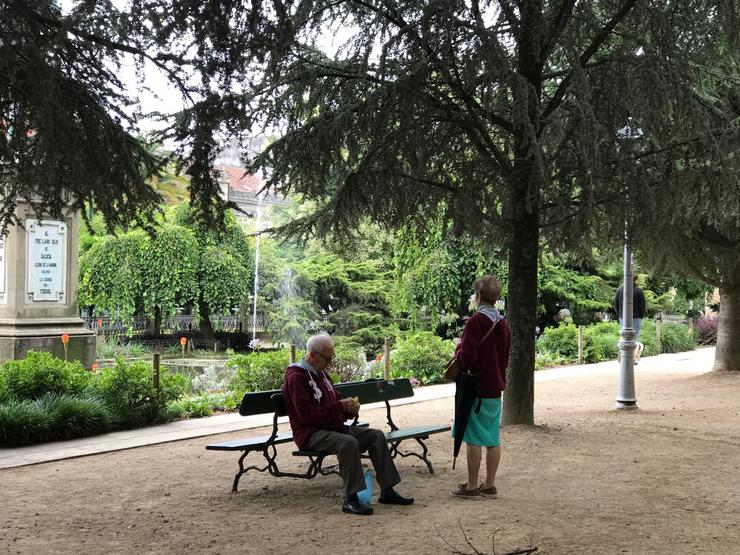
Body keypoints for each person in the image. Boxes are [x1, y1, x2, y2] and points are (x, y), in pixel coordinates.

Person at [282, 332, 414, 516]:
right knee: (348, 443)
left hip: (332, 428)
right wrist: (339, 407)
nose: (330, 363)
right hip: (311, 433)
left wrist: (348, 410)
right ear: (312, 355)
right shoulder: (296, 378)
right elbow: (307, 416)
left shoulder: (321, 374)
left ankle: (387, 490)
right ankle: (350, 499)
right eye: (327, 359)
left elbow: (334, 404)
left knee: (375, 435)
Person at [450, 275, 511, 500]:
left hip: (476, 387)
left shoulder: (476, 322)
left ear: (478, 296)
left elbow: (467, 356)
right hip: (495, 387)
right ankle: (490, 485)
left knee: (473, 437)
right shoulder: (503, 323)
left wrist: (458, 351)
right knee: (492, 438)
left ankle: (473, 486)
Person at [614, 275, 646, 359]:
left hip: (623, 318)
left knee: (624, 337)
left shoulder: (620, 290)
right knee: (633, 339)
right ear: (636, 280)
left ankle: (623, 352)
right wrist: (641, 315)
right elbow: (642, 305)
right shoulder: (639, 291)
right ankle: (632, 358)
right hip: (636, 318)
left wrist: (620, 315)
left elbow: (616, 304)